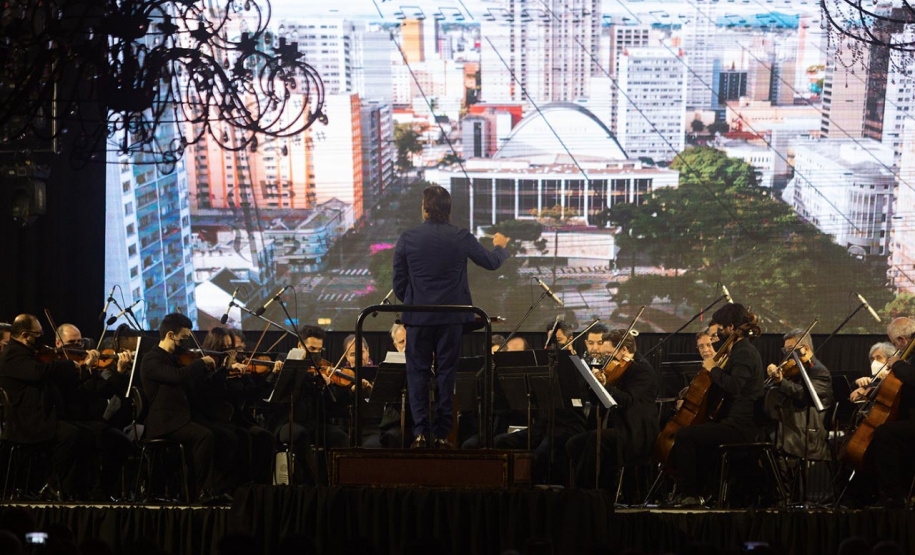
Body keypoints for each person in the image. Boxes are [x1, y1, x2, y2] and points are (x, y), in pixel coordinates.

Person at [393, 185, 510, 448]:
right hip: (451, 321)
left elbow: (399, 284)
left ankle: (421, 433)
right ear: (448, 210)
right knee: (447, 375)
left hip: (419, 318)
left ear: (424, 209)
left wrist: (415, 301)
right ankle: (443, 435)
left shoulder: (407, 238)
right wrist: (501, 247)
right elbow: (491, 262)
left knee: (417, 374)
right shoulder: (461, 237)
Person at [668, 303, 764, 506]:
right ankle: (702, 491)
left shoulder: (744, 352)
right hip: (730, 421)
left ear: (730, 327)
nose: (717, 333)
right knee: (692, 433)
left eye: (720, 327)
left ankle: (691, 495)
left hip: (740, 426)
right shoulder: (737, 349)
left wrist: (713, 369)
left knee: (684, 435)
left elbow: (735, 386)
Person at [0, 314, 96, 498]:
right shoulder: (12, 354)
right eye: (38, 333)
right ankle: (51, 483)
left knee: (85, 434)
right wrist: (70, 365)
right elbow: (38, 372)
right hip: (26, 422)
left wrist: (81, 370)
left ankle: (73, 490)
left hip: (40, 417)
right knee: (71, 435)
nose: (41, 337)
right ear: (25, 335)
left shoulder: (28, 352)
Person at [140, 312, 220, 502]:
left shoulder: (176, 359)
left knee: (219, 434)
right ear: (170, 335)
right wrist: (200, 363)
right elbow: (177, 377)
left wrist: (220, 370)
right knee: (204, 436)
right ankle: (202, 492)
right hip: (164, 422)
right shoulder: (151, 360)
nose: (186, 343)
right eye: (183, 338)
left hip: (181, 419)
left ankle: (208, 489)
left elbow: (193, 384)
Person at [566, 329, 658, 490]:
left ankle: (584, 491)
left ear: (623, 350)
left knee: (596, 440)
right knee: (573, 444)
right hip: (617, 427)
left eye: (609, 353)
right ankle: (598, 487)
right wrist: (594, 385)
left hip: (634, 432)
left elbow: (627, 400)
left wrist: (606, 385)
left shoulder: (642, 370)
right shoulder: (617, 368)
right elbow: (598, 402)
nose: (606, 359)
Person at [764, 329, 834, 501]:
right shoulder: (794, 370)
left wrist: (782, 382)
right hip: (792, 423)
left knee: (776, 440)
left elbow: (805, 396)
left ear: (805, 348)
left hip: (808, 429)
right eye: (785, 351)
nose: (786, 356)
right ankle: (777, 495)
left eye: (790, 350)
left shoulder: (819, 371)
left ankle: (786, 497)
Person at [859, 317, 915, 507]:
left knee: (884, 433)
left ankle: (892, 495)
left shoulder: (906, 360)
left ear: (902, 340)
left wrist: (897, 364)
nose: (896, 349)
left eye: (894, 344)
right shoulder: (909, 358)